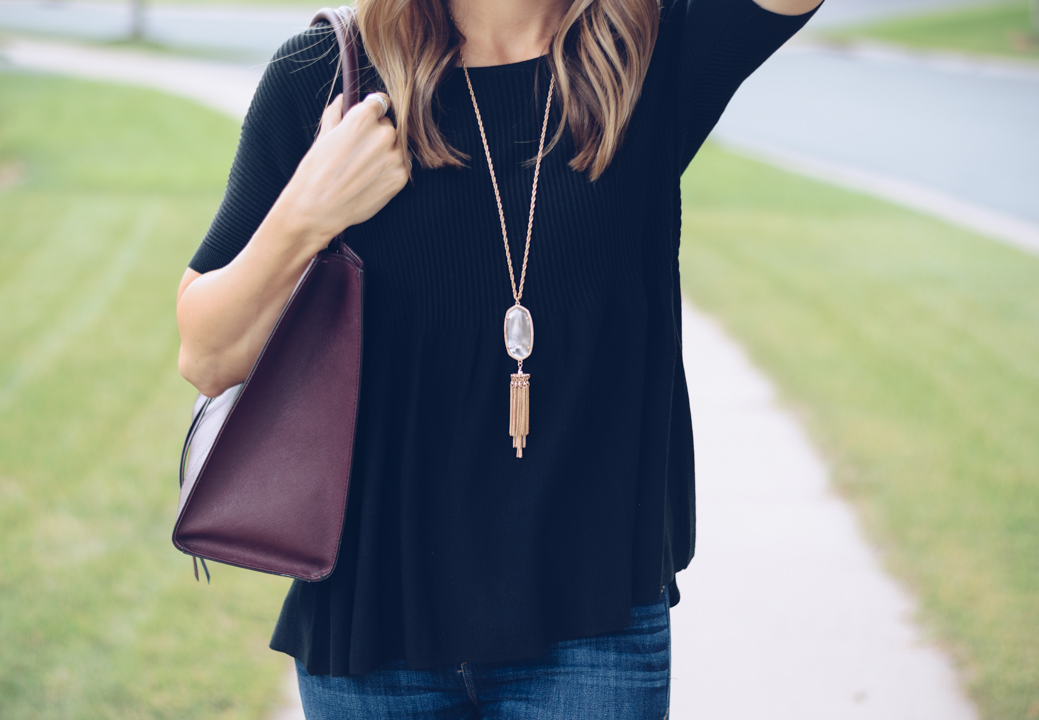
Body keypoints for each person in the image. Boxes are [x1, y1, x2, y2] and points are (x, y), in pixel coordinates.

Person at [176, 0, 822, 716]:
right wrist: (307, 210)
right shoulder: (326, 77)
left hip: (591, 628)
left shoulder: (646, 54)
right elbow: (207, 354)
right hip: (372, 638)